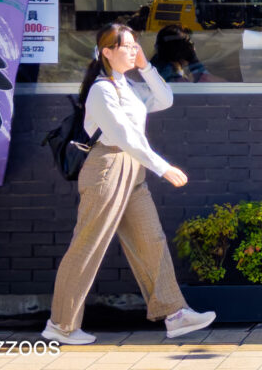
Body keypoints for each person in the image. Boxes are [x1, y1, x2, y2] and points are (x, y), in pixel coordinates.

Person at [42, 23, 216, 345]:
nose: (134, 49)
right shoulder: (101, 90)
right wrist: (163, 168)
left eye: (136, 44)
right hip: (106, 169)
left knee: (152, 239)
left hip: (133, 170)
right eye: (127, 46)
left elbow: (164, 99)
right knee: (88, 246)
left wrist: (146, 67)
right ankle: (60, 325)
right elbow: (125, 137)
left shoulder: (128, 85)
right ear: (107, 52)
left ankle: (175, 314)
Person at [150, 24, 223, 83]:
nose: (193, 48)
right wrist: (194, 61)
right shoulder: (174, 79)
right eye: (188, 44)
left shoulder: (156, 68)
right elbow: (214, 86)